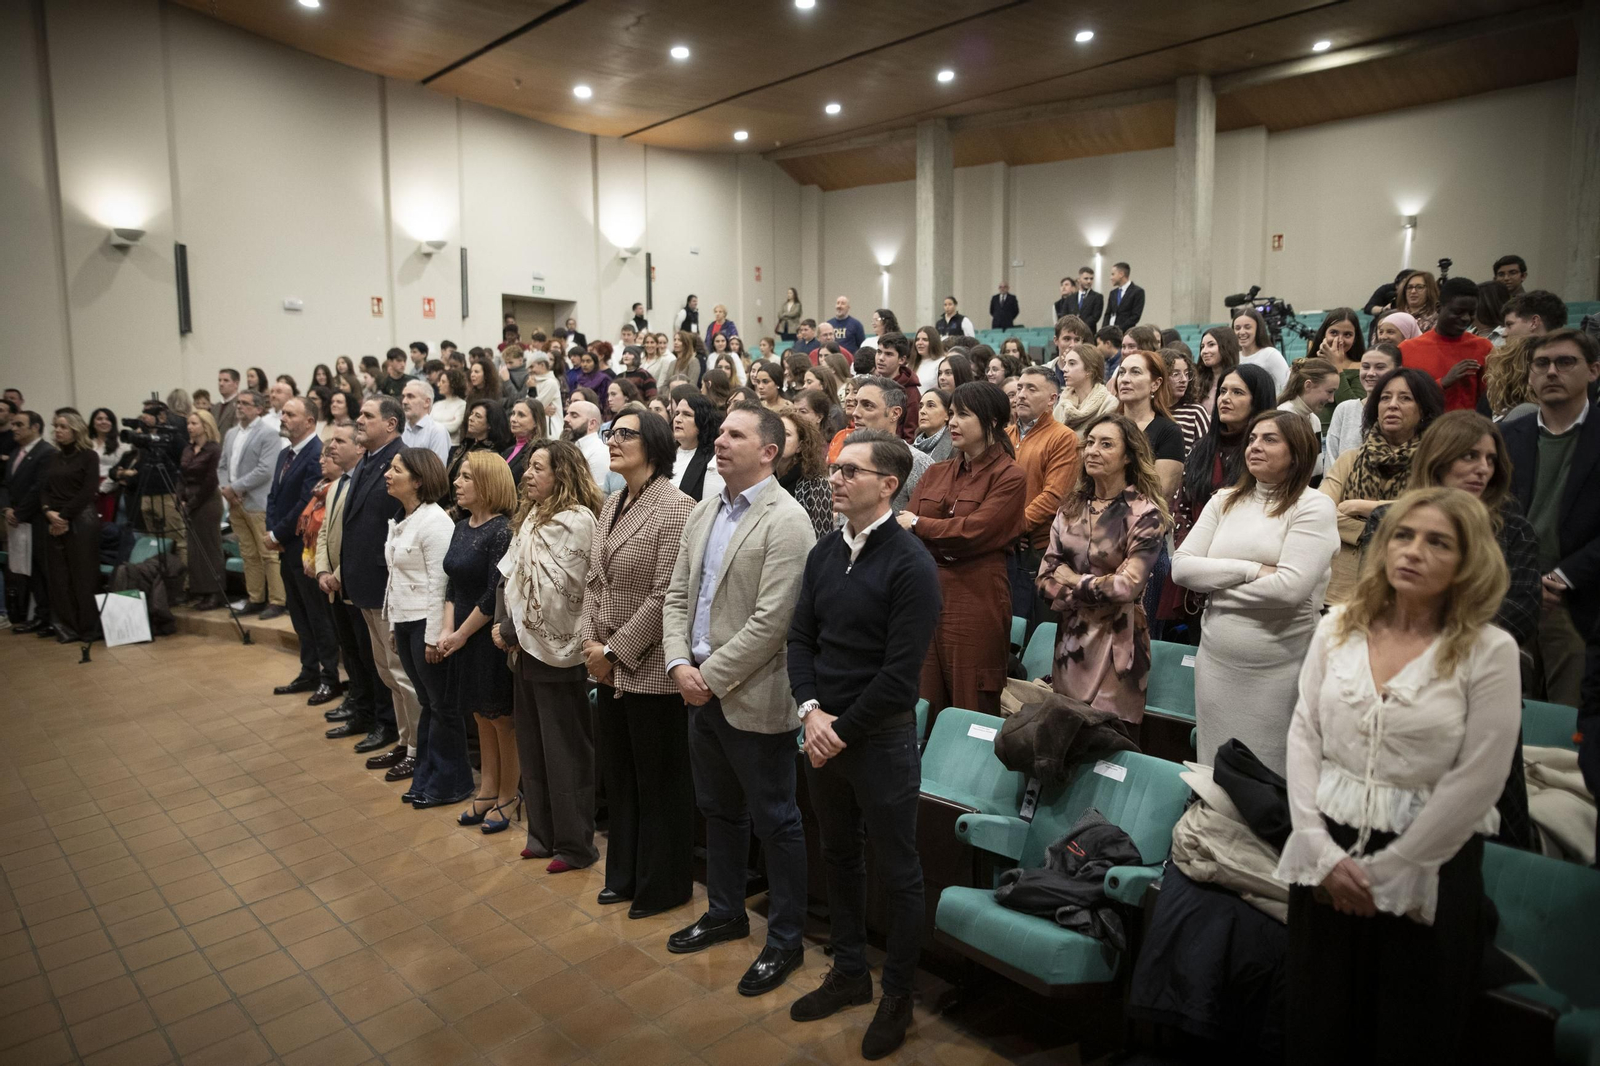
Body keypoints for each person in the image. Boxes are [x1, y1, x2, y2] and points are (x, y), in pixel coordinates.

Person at [1275, 488, 1518, 1066]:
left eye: (1438, 542)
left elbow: (1478, 779)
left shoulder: (1490, 650)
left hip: (1428, 868)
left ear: (1469, 560)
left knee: (1406, 1038)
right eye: (1404, 537)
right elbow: (1304, 734)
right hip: (1326, 856)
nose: (1413, 551)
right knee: (1316, 1032)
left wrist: (1391, 871)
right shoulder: (1338, 628)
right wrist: (1319, 849)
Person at [787, 428, 940, 1060]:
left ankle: (897, 996)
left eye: (851, 471)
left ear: (888, 484)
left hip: (877, 741)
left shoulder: (911, 564)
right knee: (839, 855)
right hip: (825, 731)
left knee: (899, 870)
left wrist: (837, 731)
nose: (836, 479)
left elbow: (901, 678)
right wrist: (811, 711)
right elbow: (800, 640)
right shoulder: (825, 553)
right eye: (834, 470)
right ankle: (849, 972)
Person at [660, 404, 815, 994]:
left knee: (776, 820)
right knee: (719, 810)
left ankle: (785, 941)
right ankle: (725, 911)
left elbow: (773, 621)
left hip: (750, 693)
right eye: (719, 432)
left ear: (769, 451)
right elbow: (678, 595)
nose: (719, 441)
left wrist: (709, 676)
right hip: (698, 685)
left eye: (734, 434)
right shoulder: (706, 509)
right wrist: (678, 662)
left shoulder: (787, 520)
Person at [1358, 412, 1541, 847]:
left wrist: (1422, 622)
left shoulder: (1512, 529)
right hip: (1399, 693)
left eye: (1490, 459)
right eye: (1468, 456)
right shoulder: (1387, 522)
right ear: (1438, 459)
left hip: (1476, 691)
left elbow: (1518, 614)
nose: (1482, 468)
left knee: (1480, 839)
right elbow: (1376, 603)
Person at [1171, 410, 1338, 772]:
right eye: (1252, 439)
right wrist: (1251, 570)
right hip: (1216, 664)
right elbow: (1182, 567)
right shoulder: (1224, 500)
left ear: (1297, 452)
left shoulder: (1314, 506)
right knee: (1215, 771)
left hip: (1280, 669)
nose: (1255, 446)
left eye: (1270, 439)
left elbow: (1290, 589)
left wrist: (1214, 589)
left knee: (1267, 779)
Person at [581, 410, 696, 919]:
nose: (614, 441)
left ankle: (663, 884)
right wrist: (591, 644)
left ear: (652, 445)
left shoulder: (676, 507)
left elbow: (665, 595)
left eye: (625, 434)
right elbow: (593, 582)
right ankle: (623, 873)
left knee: (659, 783)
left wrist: (613, 652)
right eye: (611, 433)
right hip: (605, 663)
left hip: (649, 670)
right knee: (621, 778)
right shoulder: (610, 503)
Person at [495, 439, 603, 867]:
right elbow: (512, 574)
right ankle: (541, 833)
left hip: (561, 650)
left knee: (564, 751)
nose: (527, 474)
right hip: (523, 648)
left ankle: (575, 845)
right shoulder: (532, 517)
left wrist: (515, 627)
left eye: (538, 467)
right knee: (533, 744)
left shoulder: (579, 521)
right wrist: (505, 625)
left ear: (563, 473)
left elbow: (564, 592)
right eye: (528, 467)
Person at [902, 381, 1026, 718]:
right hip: (928, 592)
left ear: (994, 422)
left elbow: (974, 532)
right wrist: (923, 529)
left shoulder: (1010, 476)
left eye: (964, 415)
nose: (953, 422)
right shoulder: (936, 471)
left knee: (972, 703)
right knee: (923, 701)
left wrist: (920, 524)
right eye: (952, 414)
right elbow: (905, 530)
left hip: (976, 593)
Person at [1038, 413, 1171, 723]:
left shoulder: (1144, 513)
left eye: (1106, 444)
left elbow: (1127, 586)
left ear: (1128, 457)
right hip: (1071, 643)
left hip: (1118, 644)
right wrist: (1093, 589)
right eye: (1091, 443)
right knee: (1062, 741)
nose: (1093, 451)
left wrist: (1072, 580)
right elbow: (1045, 578)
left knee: (1107, 741)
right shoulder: (1070, 507)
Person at [1500, 328, 1600, 707]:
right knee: (1506, 718)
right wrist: (1522, 579)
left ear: (1593, 370)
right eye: (1542, 364)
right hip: (1511, 595)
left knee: (1566, 723)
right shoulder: (1507, 437)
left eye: (1565, 362)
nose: (1552, 372)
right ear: (1529, 376)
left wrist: (1563, 577)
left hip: (1577, 601)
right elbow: (1491, 514)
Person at [1320, 367, 1445, 605]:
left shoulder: (1435, 464)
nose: (1392, 405)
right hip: (1340, 590)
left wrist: (1362, 507)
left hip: (1406, 593)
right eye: (1385, 398)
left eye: (1405, 398)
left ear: (1424, 410)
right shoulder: (1350, 459)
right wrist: (1389, 521)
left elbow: (1430, 514)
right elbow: (1322, 511)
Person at [379, 447, 459, 798]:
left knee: (440, 706)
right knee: (428, 703)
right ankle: (427, 776)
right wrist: (395, 626)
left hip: (427, 624)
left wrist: (431, 638)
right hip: (407, 622)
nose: (388, 474)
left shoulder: (435, 521)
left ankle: (449, 782)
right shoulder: (403, 519)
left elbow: (439, 584)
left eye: (396, 469)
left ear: (419, 480)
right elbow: (396, 580)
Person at [441, 452, 517, 823]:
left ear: (487, 483)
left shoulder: (502, 530)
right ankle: (487, 788)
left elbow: (493, 595)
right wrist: (446, 630)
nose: (457, 483)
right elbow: (452, 585)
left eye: (466, 477)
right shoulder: (461, 526)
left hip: (487, 636)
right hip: (463, 634)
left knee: (500, 717)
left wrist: (459, 633)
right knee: (479, 715)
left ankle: (508, 793)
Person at [316, 422, 397, 753]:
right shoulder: (337, 484)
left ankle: (383, 721)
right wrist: (323, 569)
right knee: (352, 653)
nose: (331, 447)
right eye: (331, 440)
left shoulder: (366, 481)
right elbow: (325, 532)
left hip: (356, 581)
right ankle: (360, 710)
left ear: (359, 448)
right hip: (338, 582)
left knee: (372, 659)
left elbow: (368, 536)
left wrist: (340, 571)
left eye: (339, 440)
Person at [347, 399, 418, 775]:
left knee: (401, 673)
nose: (359, 420)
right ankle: (405, 741)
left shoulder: (403, 460)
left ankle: (417, 750)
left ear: (391, 424)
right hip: (365, 581)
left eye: (367, 416)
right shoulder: (368, 458)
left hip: (389, 584)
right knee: (387, 673)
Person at [265, 396, 340, 699]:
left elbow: (304, 503)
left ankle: (330, 676)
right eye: (282, 413)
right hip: (286, 546)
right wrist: (272, 531)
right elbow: (273, 496)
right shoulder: (286, 453)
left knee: (317, 615)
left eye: (289, 414)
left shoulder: (316, 453)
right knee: (298, 613)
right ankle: (308, 671)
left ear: (309, 421)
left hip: (305, 547)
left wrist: (278, 534)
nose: (282, 417)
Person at [1008, 367, 1079, 633]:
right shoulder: (1005, 436)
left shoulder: (1062, 438)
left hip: (1037, 550)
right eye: (1019, 388)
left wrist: (1010, 528)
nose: (1021, 395)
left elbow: (1053, 496)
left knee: (1030, 630)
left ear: (1052, 398)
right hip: (1006, 545)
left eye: (1031, 389)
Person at [220, 390, 284, 618]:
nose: (239, 407)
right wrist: (226, 488)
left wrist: (234, 488)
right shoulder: (230, 434)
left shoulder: (268, 434)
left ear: (259, 409)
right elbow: (222, 465)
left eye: (245, 404)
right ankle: (255, 598)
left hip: (258, 502)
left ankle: (277, 600)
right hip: (235, 503)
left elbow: (265, 470)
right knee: (248, 554)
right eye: (238, 403)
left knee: (268, 554)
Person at [40, 412, 101, 643]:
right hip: (54, 519)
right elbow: (43, 488)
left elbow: (88, 491)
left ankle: (88, 628)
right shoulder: (53, 458)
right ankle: (67, 628)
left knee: (83, 576)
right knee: (59, 578)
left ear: (76, 429)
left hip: (81, 521)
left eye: (63, 427)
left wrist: (63, 517)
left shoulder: (89, 456)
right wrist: (48, 512)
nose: (58, 431)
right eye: (55, 426)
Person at [1400, 276, 1492, 413]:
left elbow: (1489, 399)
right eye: (1458, 312)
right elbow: (1402, 397)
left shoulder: (1484, 347)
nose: (1466, 318)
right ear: (1438, 307)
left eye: (1471, 313)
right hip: (1422, 428)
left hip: (1468, 429)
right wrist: (1442, 383)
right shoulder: (1407, 349)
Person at [2, 409, 55, 633]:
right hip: (18, 520)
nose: (13, 429)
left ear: (34, 427)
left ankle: (52, 617)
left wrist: (20, 512)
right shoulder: (16, 453)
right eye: (13, 424)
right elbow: (5, 484)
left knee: (44, 570)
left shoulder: (46, 452)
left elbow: (39, 487)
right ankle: (40, 615)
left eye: (19, 425)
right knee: (29, 569)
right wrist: (6, 508)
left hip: (37, 520)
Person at [849, 377, 931, 511]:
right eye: (856, 404)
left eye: (867, 405)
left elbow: (923, 523)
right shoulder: (848, 457)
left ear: (894, 413)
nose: (855, 413)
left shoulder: (917, 463)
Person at [1115, 350, 1185, 499]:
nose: (1124, 379)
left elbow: (1160, 493)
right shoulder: (1107, 425)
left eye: (1135, 372)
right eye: (1121, 372)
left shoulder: (1169, 432)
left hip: (1144, 518)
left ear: (1155, 384)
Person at [1325, 345, 1400, 469]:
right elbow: (1331, 461)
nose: (1370, 373)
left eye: (1380, 367)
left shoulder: (1400, 411)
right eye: (1365, 367)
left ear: (1398, 370)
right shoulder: (1345, 409)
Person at [180, 410, 226, 610]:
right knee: (195, 549)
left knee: (210, 547)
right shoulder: (188, 449)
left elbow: (210, 480)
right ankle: (201, 590)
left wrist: (192, 503)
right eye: (188, 423)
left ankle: (215, 592)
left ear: (205, 425)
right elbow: (181, 475)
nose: (190, 427)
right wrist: (180, 498)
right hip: (189, 500)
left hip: (207, 501)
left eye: (194, 423)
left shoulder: (214, 450)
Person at [777, 406, 834, 539]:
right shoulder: (764, 479)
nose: (778, 438)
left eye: (786, 434)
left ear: (800, 446)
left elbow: (821, 539)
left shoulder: (817, 485)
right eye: (776, 432)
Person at [1277, 358, 1341, 476]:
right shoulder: (1283, 416)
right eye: (1329, 391)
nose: (1332, 399)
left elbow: (1316, 470)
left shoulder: (1314, 420)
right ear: (1308, 385)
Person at [446, 399, 511, 511]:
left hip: (466, 511)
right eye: (471, 414)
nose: (471, 418)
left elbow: (479, 492)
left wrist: (451, 514)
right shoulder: (466, 444)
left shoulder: (490, 454)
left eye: (478, 416)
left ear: (490, 424)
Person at [668, 391, 725, 502]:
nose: (678, 419)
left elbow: (709, 510)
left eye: (687, 414)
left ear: (702, 421)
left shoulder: (714, 462)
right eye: (677, 413)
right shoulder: (665, 454)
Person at [1162, 346, 1211, 456]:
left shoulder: (1195, 411)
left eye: (1186, 374)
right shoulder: (1148, 410)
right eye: (1175, 374)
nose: (1183, 379)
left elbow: (1206, 454)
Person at [873, 333, 922, 443]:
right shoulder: (871, 385)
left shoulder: (910, 392)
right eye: (879, 352)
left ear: (902, 359)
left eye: (888, 354)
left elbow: (911, 434)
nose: (881, 358)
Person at [1234, 306, 1289, 392]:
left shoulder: (1270, 354)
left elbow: (1287, 386)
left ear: (1258, 329)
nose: (1241, 332)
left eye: (1247, 327)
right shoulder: (1234, 357)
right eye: (1237, 328)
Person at [564, 399, 609, 489]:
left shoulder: (599, 452)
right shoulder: (573, 447)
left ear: (592, 424)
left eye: (574, 416)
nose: (565, 419)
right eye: (567, 414)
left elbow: (598, 496)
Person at [503, 397, 543, 487]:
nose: (513, 419)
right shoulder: (508, 451)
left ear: (536, 422)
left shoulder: (537, 451)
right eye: (513, 414)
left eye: (521, 415)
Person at [1391, 269, 1441, 333]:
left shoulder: (1437, 317)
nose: (1413, 291)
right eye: (1409, 287)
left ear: (1429, 290)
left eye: (1419, 287)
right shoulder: (1394, 315)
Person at [913, 388, 953, 463]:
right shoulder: (911, 449)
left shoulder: (956, 448)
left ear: (947, 415)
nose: (922, 411)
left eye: (930, 405)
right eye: (920, 406)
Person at [1105, 262, 1145, 330]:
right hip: (1110, 332)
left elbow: (1135, 316)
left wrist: (1118, 329)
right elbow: (1107, 314)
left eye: (1113, 274)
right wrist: (1104, 330)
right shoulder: (1113, 293)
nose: (1111, 277)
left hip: (1126, 332)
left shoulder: (1137, 292)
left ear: (1121, 274)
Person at [433, 366, 467, 443]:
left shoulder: (462, 405)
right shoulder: (437, 404)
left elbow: (453, 427)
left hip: (452, 446)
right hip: (435, 443)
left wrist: (433, 425)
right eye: (439, 381)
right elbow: (428, 425)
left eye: (443, 382)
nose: (439, 385)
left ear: (453, 384)